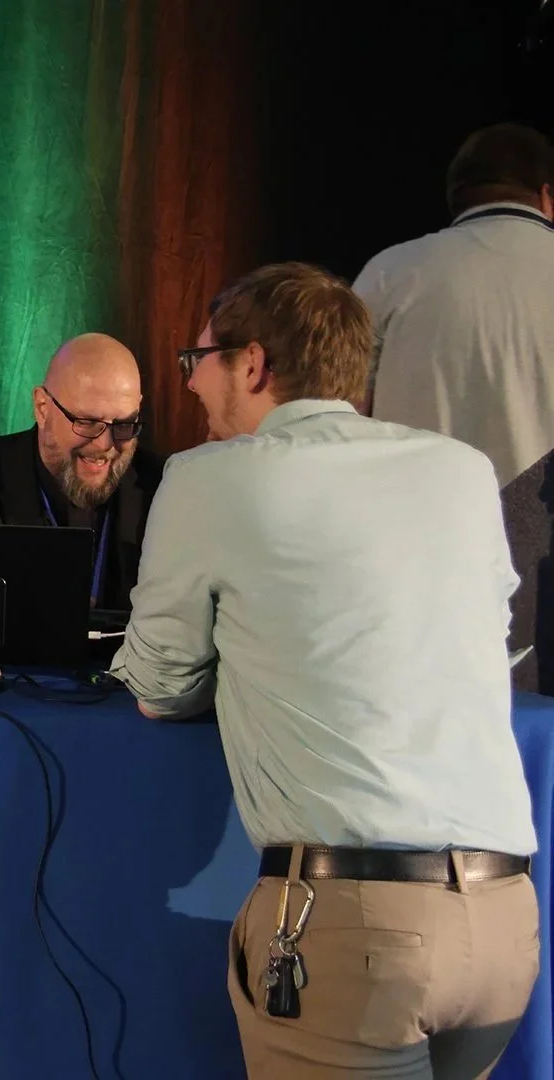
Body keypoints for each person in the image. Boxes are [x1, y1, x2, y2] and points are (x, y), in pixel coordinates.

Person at [111, 262, 538, 1077]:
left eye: (197, 359)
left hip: (355, 927)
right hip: (501, 921)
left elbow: (159, 690)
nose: (190, 383)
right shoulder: (463, 471)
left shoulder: (209, 478)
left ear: (253, 364)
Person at [353, 122, 554, 691]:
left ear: (457, 196)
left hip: (420, 560)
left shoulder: (391, 274)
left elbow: (338, 415)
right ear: (546, 195)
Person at [0, 332, 161, 611]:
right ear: (42, 408)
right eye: (86, 422)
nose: (105, 444)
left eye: (124, 424)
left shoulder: (164, 489)